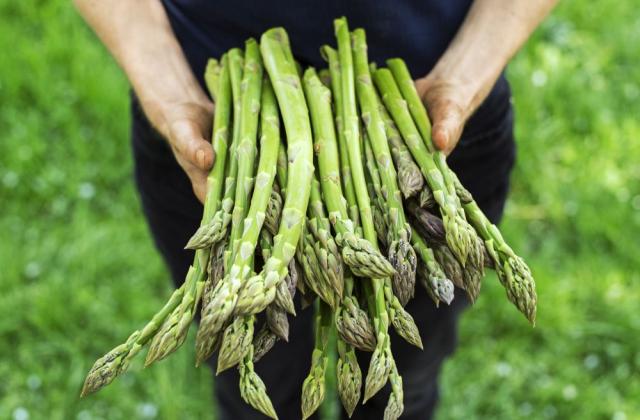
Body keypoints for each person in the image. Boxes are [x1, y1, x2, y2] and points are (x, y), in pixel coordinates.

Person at [74, 1, 557, 419]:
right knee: (256, 395)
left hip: (424, 132)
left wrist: (466, 76)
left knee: (401, 390)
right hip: (216, 132)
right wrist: (166, 87)